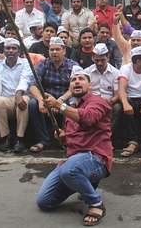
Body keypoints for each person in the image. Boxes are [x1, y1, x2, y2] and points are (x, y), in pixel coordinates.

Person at [36, 66, 112, 227]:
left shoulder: (97, 101)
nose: (77, 82)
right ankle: (87, 184)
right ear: (70, 88)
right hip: (75, 160)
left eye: (81, 79)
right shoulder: (71, 110)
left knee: (68, 170)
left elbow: (89, 118)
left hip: (96, 158)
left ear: (90, 86)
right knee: (44, 202)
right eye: (73, 80)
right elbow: (72, 140)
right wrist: (64, 137)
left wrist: (59, 105)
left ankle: (96, 203)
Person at [27, 37, 79, 153]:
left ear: (64, 51)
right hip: (47, 99)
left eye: (57, 49)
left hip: (65, 98)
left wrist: (60, 100)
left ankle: (66, 139)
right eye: (51, 50)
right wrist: (41, 100)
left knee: (72, 104)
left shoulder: (72, 66)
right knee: (32, 104)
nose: (54, 52)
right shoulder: (43, 64)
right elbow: (33, 85)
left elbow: (75, 87)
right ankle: (43, 140)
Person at [0, 38, 30, 153]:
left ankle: (19, 138)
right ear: (4, 50)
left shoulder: (25, 63)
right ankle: (5, 138)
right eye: (8, 48)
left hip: (21, 94)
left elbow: (25, 79)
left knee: (24, 102)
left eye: (14, 48)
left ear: (19, 51)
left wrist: (18, 95)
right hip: (5, 98)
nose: (11, 51)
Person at [86, 44, 122, 133]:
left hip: (109, 102)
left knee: (117, 108)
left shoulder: (115, 73)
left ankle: (107, 134)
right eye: (97, 60)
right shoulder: (86, 72)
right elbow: (84, 92)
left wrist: (110, 101)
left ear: (108, 58)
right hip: (91, 103)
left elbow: (117, 94)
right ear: (92, 58)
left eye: (102, 60)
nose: (99, 63)